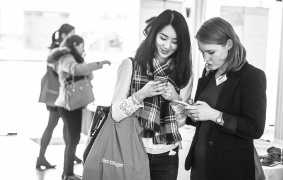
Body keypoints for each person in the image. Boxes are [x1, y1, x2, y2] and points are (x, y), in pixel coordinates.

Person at [111, 9, 193, 180]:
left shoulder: (185, 74)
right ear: (153, 34)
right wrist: (141, 94)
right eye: (163, 38)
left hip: (168, 154)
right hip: (133, 149)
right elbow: (116, 114)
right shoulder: (130, 66)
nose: (167, 46)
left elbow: (180, 123)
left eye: (175, 41)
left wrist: (176, 99)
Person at [184, 17, 267, 180]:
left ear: (228, 45)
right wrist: (190, 112)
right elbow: (202, 121)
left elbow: (255, 128)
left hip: (229, 170)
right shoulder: (208, 73)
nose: (205, 59)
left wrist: (215, 115)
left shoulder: (252, 76)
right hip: (200, 166)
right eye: (202, 52)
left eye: (211, 52)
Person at [47, 35, 111, 180]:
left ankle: (67, 172)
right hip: (69, 106)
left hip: (71, 104)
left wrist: (84, 63)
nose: (84, 48)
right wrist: (99, 63)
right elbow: (76, 70)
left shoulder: (73, 58)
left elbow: (89, 76)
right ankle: (68, 173)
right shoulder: (66, 58)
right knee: (73, 139)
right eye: (82, 45)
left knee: (71, 139)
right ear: (75, 44)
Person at [36, 23, 81, 170]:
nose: (73, 38)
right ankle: (41, 157)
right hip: (59, 95)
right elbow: (60, 70)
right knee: (53, 125)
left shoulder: (58, 49)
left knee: (64, 127)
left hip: (59, 94)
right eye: (71, 34)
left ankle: (69, 155)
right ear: (64, 35)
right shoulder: (60, 50)